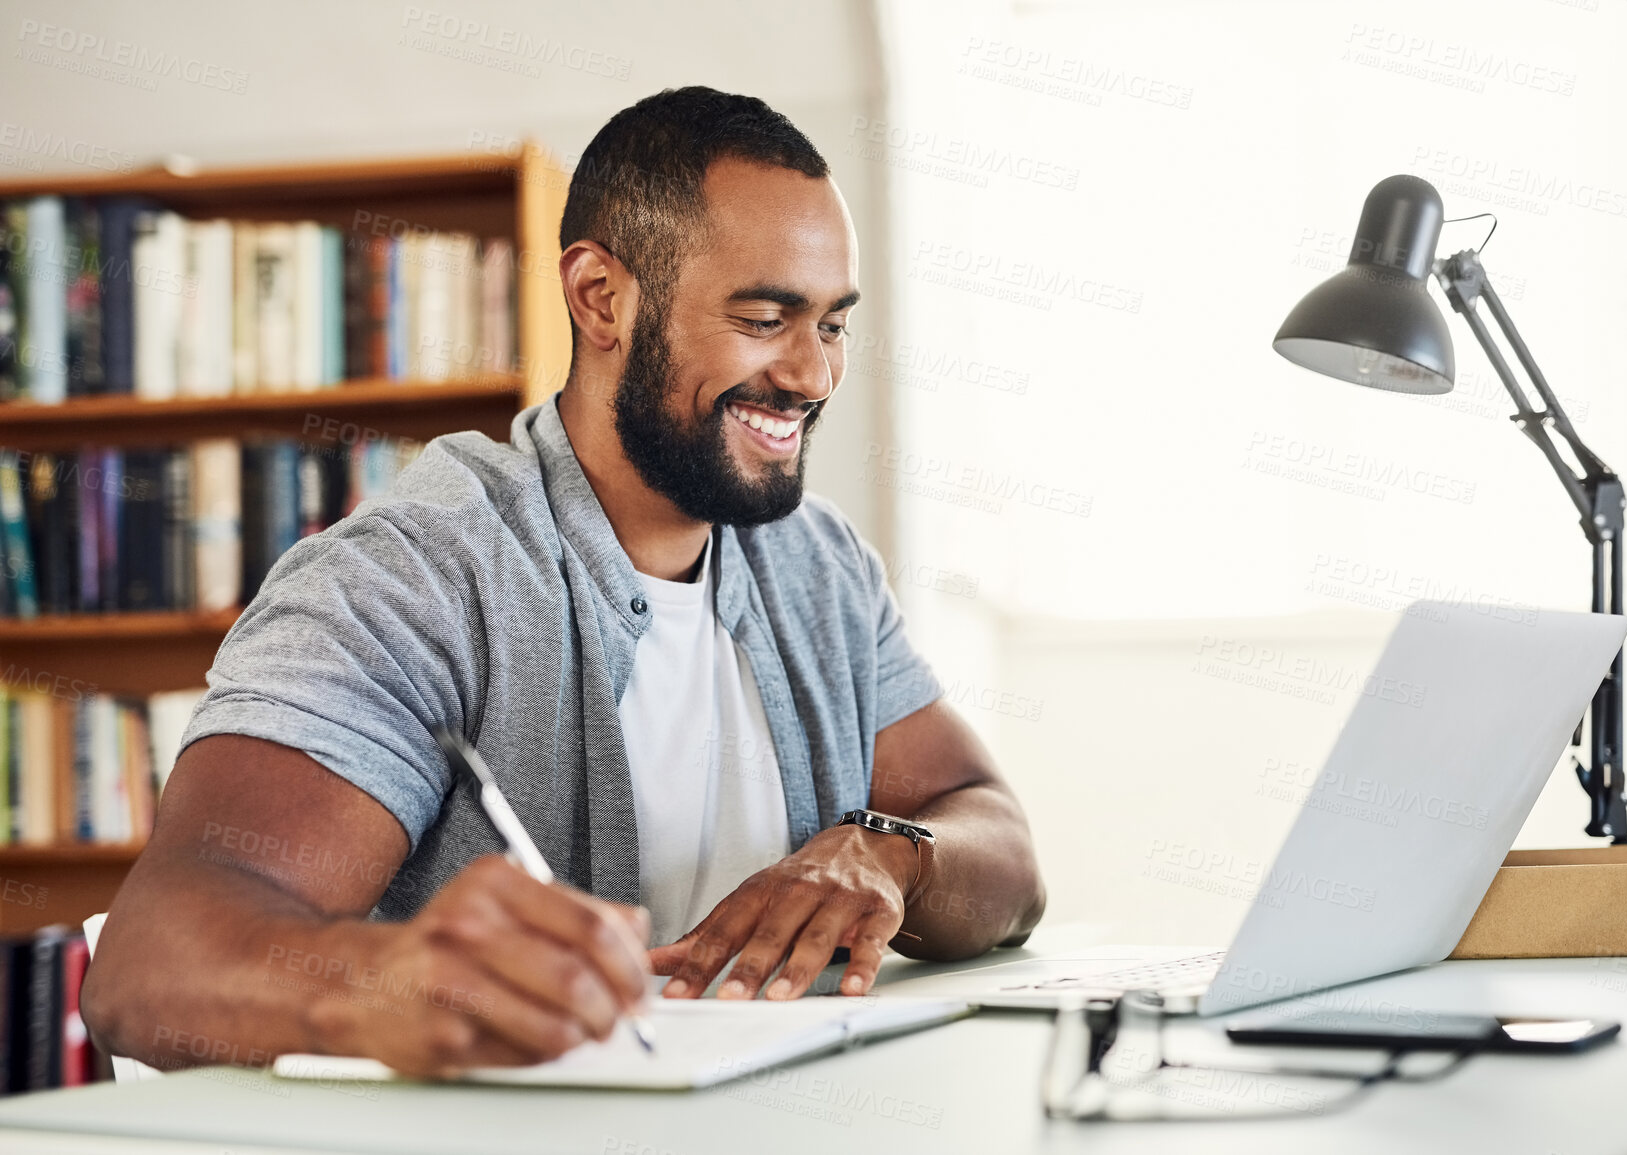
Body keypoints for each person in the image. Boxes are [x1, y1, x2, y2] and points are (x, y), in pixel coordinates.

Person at [82, 86, 1045, 1079]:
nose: (812, 375)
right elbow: (147, 967)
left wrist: (888, 853)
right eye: (766, 318)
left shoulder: (818, 563)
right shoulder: (413, 580)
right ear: (601, 299)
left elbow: (1001, 846)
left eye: (833, 325)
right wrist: (387, 982)